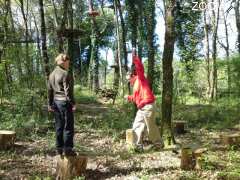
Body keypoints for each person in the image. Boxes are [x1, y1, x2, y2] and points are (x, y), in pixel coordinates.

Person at [126, 49, 164, 152]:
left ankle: (159, 144)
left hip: (148, 106)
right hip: (141, 108)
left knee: (150, 127)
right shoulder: (135, 87)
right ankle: (137, 146)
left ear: (132, 76)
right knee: (136, 126)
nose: (129, 81)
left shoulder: (141, 79)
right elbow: (136, 98)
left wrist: (134, 58)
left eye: (129, 79)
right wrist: (129, 97)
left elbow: (140, 68)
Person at [48, 53, 76, 156]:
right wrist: (73, 103)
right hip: (65, 102)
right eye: (67, 62)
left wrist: (50, 104)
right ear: (63, 62)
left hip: (56, 102)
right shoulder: (65, 73)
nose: (68, 64)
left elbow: (50, 91)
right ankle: (68, 149)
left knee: (59, 126)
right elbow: (67, 91)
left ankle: (59, 149)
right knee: (68, 126)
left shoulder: (51, 74)